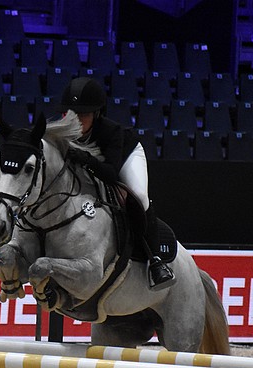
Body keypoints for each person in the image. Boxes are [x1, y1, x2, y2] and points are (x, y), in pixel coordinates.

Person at [60, 77, 175, 291]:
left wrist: (84, 158)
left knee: (139, 195)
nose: (76, 120)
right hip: (95, 165)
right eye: (71, 113)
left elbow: (111, 174)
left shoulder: (110, 132)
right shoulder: (63, 128)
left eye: (83, 115)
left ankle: (156, 261)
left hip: (125, 158)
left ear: (96, 114)